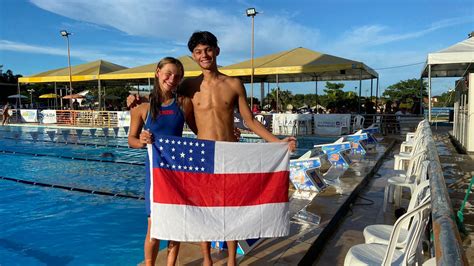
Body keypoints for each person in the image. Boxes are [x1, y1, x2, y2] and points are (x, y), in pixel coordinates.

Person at [129, 31, 296, 266]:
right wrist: (135, 99)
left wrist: (278, 143)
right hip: (202, 154)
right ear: (193, 57)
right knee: (204, 210)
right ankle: (207, 260)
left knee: (233, 210)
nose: (204, 55)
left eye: (208, 49)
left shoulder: (234, 83)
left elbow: (250, 120)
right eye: (198, 51)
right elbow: (163, 94)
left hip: (229, 152)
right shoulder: (188, 85)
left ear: (216, 51)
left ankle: (231, 262)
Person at [128, 57, 197, 266]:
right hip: (155, 175)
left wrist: (228, 133)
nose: (172, 79)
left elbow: (200, 132)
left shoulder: (183, 104)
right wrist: (141, 141)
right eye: (168, 73)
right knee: (154, 224)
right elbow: (131, 139)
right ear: (157, 72)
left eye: (177, 76)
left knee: (174, 224)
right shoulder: (142, 107)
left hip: (177, 173)